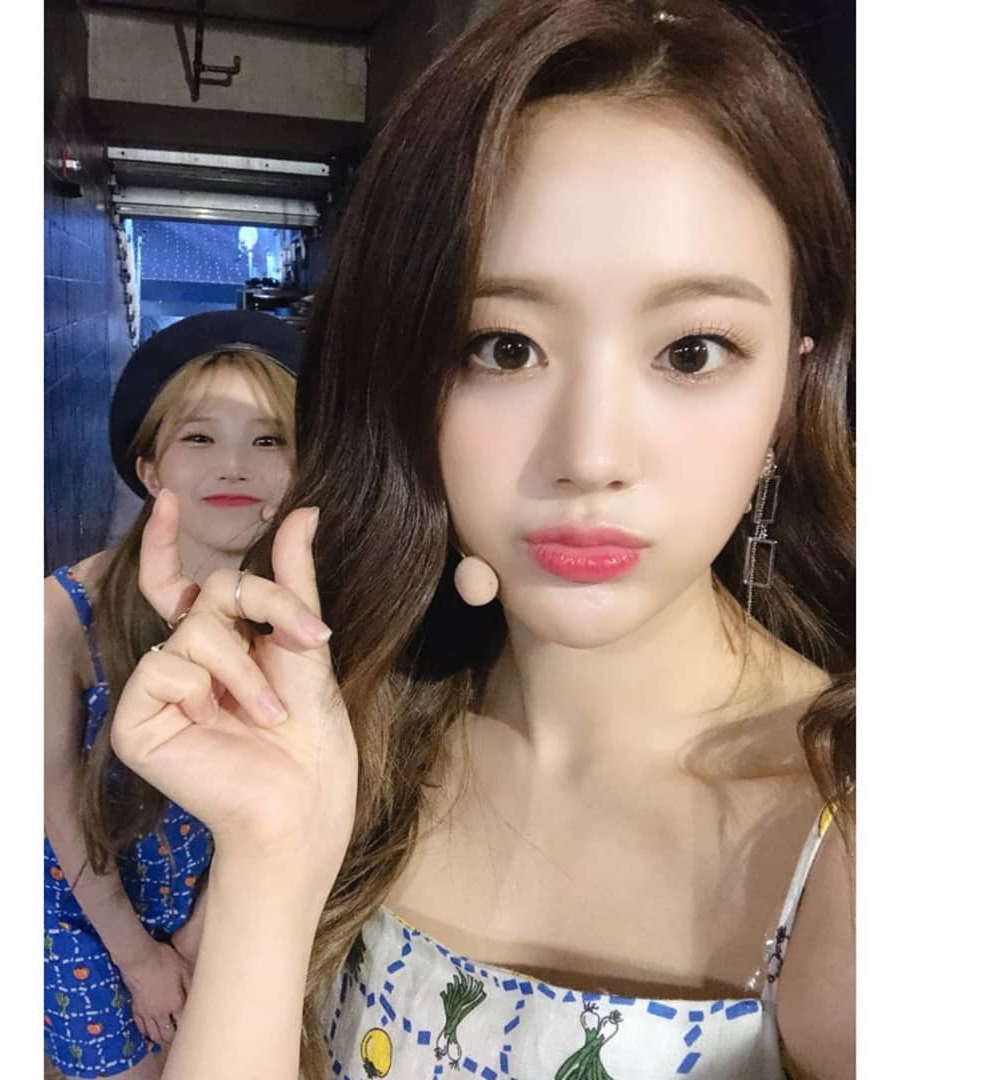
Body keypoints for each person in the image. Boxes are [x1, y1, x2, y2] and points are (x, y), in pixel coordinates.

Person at [111, 1, 855, 1077]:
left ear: (790, 390)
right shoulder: (363, 733)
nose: (590, 455)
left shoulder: (851, 834)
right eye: (504, 347)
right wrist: (271, 854)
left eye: (692, 351)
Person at [44, 311, 302, 1078]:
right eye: (199, 438)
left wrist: (196, 938)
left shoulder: (294, 617)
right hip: (91, 910)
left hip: (223, 899)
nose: (235, 466)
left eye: (268, 441)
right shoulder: (59, 616)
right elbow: (56, 808)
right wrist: (139, 959)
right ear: (152, 469)